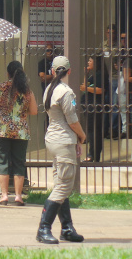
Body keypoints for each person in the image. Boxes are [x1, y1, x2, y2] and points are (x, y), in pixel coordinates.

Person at [37, 56, 86, 244]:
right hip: (64, 141)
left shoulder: (49, 89)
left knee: (61, 184)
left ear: (51, 71)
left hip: (53, 139)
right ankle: (43, 228)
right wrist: (82, 136)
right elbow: (72, 121)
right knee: (64, 186)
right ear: (69, 71)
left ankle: (67, 228)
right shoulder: (65, 92)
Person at [0, 60, 38, 206]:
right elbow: (34, 111)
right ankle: (18, 196)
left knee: (2, 162)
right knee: (19, 163)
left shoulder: (1, 87)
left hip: (2, 129)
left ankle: (3, 195)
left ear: (8, 73)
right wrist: (21, 113)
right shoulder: (27, 90)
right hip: (21, 131)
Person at [81, 56, 109, 162]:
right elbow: (85, 86)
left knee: (94, 132)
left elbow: (100, 90)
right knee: (92, 131)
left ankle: (93, 155)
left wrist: (86, 88)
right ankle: (92, 154)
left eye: (90, 60)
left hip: (95, 106)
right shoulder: (94, 74)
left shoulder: (100, 75)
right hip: (89, 106)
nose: (88, 62)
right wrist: (86, 74)